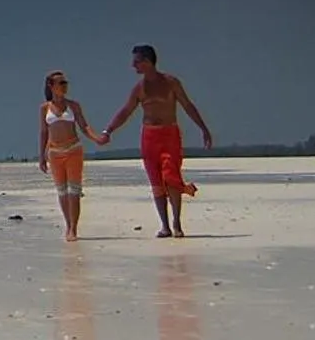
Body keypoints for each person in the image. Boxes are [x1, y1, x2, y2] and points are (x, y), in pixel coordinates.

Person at [101, 44, 213, 238]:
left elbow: (187, 105)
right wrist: (108, 130)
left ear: (147, 61)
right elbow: (126, 111)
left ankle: (177, 222)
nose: (133, 66)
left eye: (136, 62)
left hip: (169, 135)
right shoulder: (139, 88)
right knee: (156, 182)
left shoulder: (171, 82)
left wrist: (203, 128)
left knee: (171, 176)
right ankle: (165, 225)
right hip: (149, 137)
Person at [38, 69, 110, 242]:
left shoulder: (74, 106)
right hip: (55, 153)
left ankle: (73, 228)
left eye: (66, 83)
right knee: (62, 191)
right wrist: (41, 156)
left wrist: (97, 138)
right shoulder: (44, 108)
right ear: (51, 86)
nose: (65, 86)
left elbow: (84, 126)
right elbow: (43, 132)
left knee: (74, 191)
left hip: (73, 150)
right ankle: (67, 224)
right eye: (61, 83)